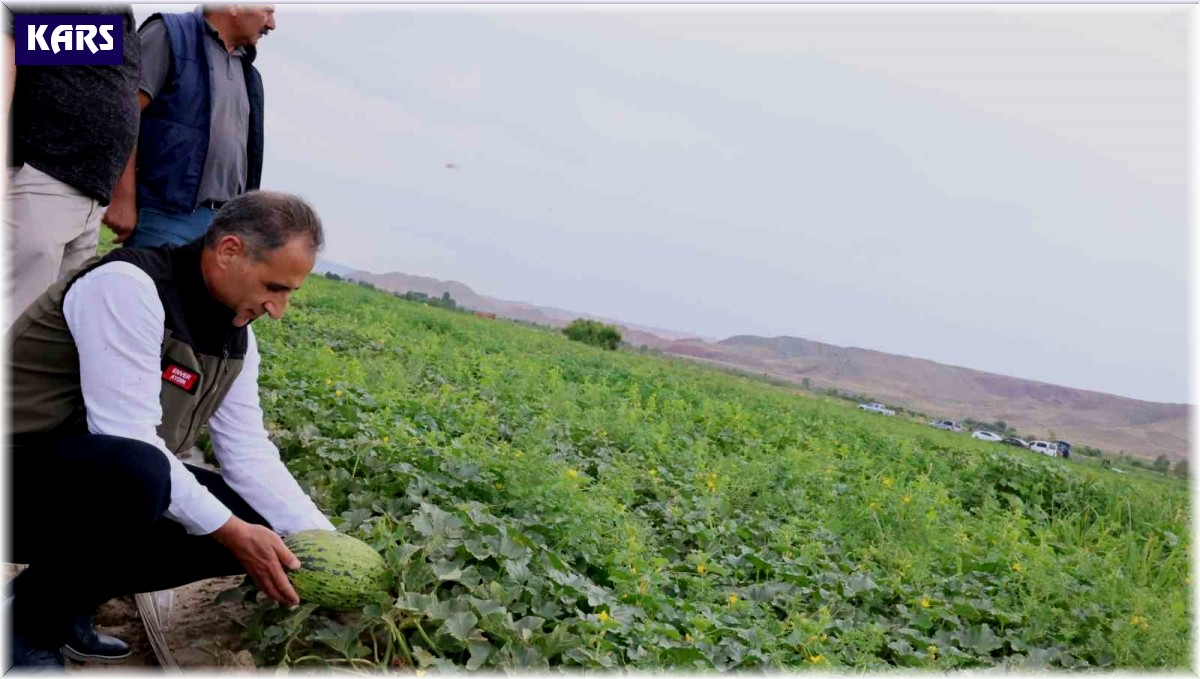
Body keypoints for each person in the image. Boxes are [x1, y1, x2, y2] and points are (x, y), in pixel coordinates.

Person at [6, 191, 335, 669]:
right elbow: (127, 434)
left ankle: (53, 600)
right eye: (274, 286)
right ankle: (27, 632)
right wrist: (231, 532)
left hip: (70, 482)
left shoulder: (236, 337)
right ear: (229, 252)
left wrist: (324, 539)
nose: (278, 308)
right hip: (17, 469)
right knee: (139, 475)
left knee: (252, 515)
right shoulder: (128, 287)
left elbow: (248, 453)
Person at [3, 4, 141, 327]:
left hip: (88, 196)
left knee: (44, 329)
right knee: (15, 319)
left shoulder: (115, 20)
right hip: (42, 178)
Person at [104, 4, 275, 248]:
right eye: (267, 12)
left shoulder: (250, 75)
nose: (271, 24)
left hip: (221, 228)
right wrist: (123, 196)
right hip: (163, 215)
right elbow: (124, 113)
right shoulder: (169, 35)